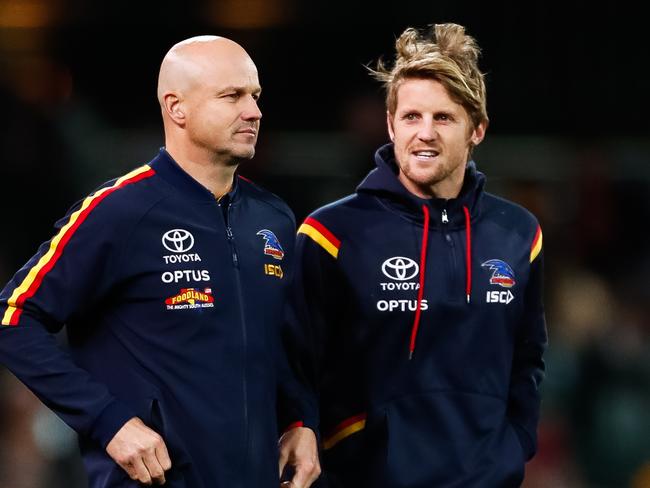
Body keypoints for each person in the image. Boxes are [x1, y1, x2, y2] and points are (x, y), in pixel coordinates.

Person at [0, 36, 319, 488]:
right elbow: (12, 318)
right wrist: (108, 422)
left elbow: (284, 343)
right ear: (177, 107)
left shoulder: (274, 218)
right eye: (232, 96)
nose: (253, 111)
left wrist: (300, 421)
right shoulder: (117, 212)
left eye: (255, 96)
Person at [286, 23, 547, 487]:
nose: (424, 134)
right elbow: (295, 363)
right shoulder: (330, 233)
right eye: (411, 117)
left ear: (477, 130)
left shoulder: (519, 234)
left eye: (443, 118)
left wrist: (514, 443)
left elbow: (527, 358)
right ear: (390, 124)